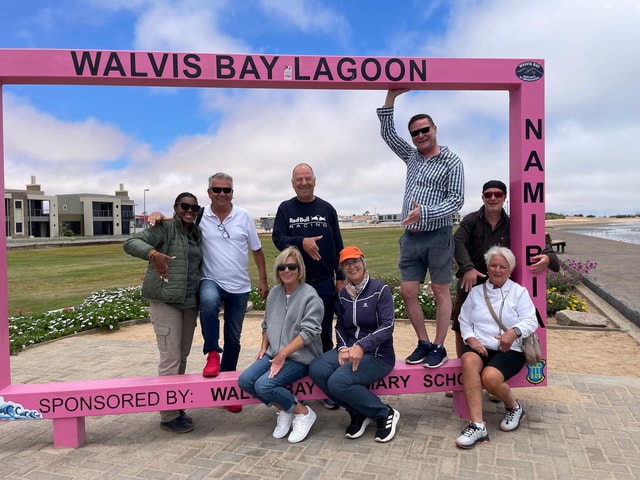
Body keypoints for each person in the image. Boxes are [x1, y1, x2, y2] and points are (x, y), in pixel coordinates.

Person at [149, 173, 269, 414]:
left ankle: (227, 388)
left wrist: (263, 279)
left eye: (227, 190)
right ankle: (212, 352)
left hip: (239, 285)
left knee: (233, 337)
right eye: (217, 190)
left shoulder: (244, 216)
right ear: (209, 192)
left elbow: (257, 250)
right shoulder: (200, 215)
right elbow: (178, 218)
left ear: (232, 193)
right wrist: (157, 215)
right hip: (210, 279)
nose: (222, 194)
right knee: (208, 301)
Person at [377, 89, 465, 368]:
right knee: (407, 291)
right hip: (411, 238)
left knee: (440, 291)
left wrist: (424, 213)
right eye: (415, 133)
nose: (420, 136)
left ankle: (439, 346)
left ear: (435, 129)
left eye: (425, 130)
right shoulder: (412, 156)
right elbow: (388, 135)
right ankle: (423, 342)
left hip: (438, 236)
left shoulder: (452, 161)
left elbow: (456, 200)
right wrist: (391, 97)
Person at [451, 180, 560, 359]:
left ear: (504, 198)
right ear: (483, 197)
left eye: (498, 194)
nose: (493, 198)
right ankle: (464, 366)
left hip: (502, 285)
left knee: (500, 324)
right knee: (461, 326)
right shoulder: (471, 220)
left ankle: (496, 366)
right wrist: (468, 268)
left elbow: (543, 247)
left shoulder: (515, 223)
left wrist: (548, 258)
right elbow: (456, 241)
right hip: (471, 282)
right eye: (488, 194)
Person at [123, 192, 203, 434]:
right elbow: (131, 243)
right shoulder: (164, 229)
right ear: (176, 207)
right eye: (185, 206)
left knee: (182, 356)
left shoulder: (195, 233)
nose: (189, 210)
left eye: (194, 207)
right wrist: (153, 254)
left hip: (188, 303)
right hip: (166, 301)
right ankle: (168, 416)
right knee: (170, 358)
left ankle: (176, 406)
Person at [272, 163, 345, 409]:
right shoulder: (286, 208)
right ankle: (299, 386)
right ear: (293, 183)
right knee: (296, 338)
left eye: (308, 178)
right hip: (296, 283)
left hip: (323, 282)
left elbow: (338, 244)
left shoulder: (327, 209)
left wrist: (340, 276)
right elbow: (278, 239)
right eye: (299, 179)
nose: (304, 183)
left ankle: (324, 387)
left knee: (323, 336)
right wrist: (301, 241)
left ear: (314, 180)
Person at [309, 246, 400, 443]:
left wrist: (362, 346)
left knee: (338, 381)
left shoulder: (380, 289)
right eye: (346, 264)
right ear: (342, 270)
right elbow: (341, 326)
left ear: (363, 262)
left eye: (355, 261)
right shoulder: (343, 294)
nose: (352, 267)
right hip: (350, 349)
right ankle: (357, 412)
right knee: (317, 369)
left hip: (377, 354)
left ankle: (384, 413)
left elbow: (388, 326)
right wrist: (342, 348)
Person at [238, 246, 323, 443]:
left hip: (301, 357)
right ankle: (286, 409)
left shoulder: (310, 296)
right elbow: (266, 323)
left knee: (264, 385)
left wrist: (283, 354)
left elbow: (309, 332)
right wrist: (263, 347)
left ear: (299, 269)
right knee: (245, 381)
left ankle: (304, 413)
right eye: (282, 267)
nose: (286, 270)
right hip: (274, 354)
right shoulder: (275, 293)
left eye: (291, 266)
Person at [455, 246, 538, 449]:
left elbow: (531, 320)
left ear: (510, 270)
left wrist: (514, 332)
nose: (497, 270)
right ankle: (477, 426)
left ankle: (514, 407)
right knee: (468, 360)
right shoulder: (476, 292)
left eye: (503, 267)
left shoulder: (519, 292)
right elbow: (464, 320)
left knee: (490, 378)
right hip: (480, 346)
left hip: (510, 349)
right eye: (493, 265)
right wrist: (471, 340)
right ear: (487, 267)